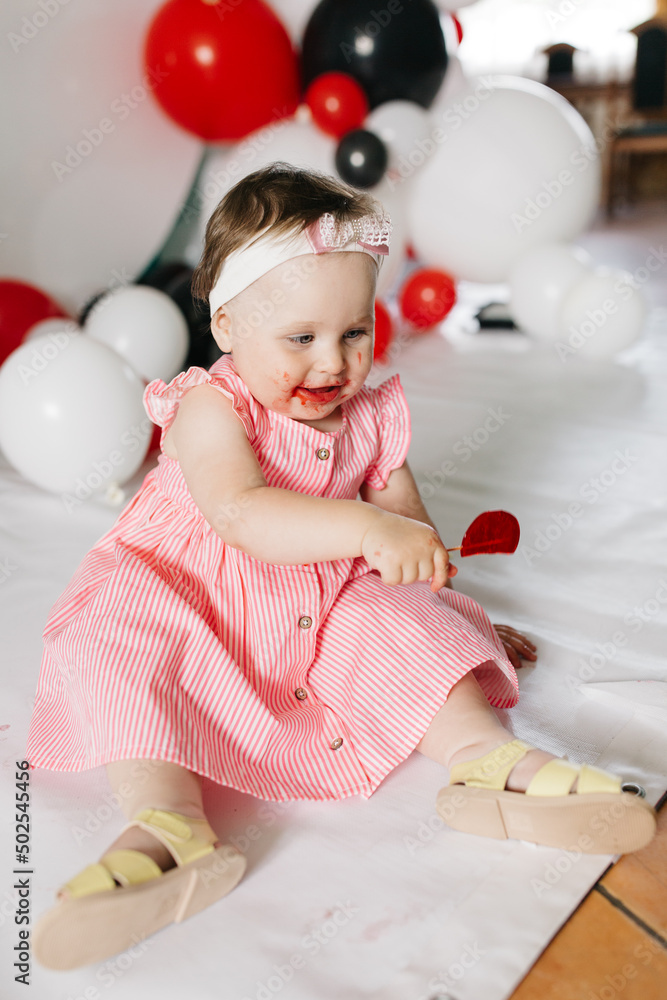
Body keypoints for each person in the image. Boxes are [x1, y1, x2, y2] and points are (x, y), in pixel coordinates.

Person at [26, 163, 656, 971]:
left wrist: (436, 598)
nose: (331, 364)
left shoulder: (371, 415)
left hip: (315, 609)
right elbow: (241, 515)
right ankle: (168, 825)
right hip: (189, 595)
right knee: (123, 646)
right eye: (300, 339)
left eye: (352, 332)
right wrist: (364, 528)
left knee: (397, 624)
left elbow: (403, 529)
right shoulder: (209, 407)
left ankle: (483, 760)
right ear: (225, 326)